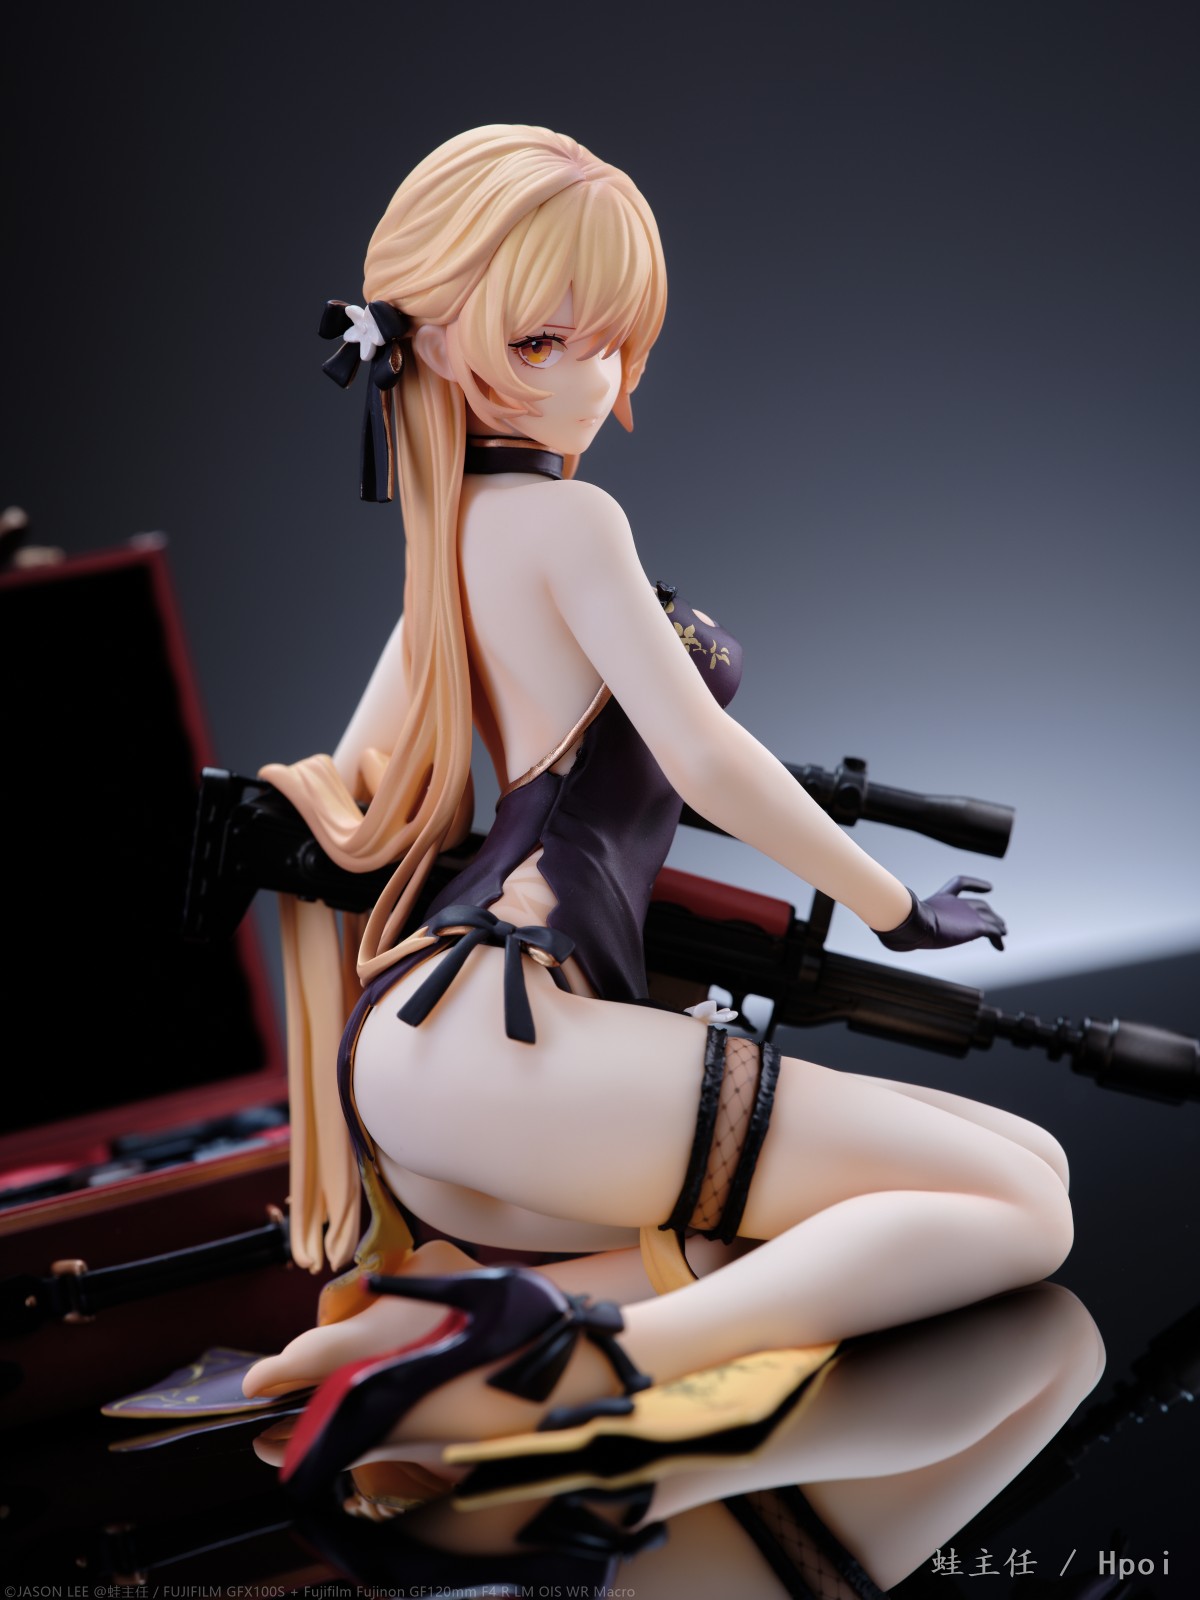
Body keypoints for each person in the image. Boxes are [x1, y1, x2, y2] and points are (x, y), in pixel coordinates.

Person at [245, 125, 1072, 1528]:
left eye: (616, 343)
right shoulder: (571, 524)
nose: (594, 378)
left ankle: (428, 1327)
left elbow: (348, 785)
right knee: (1025, 1212)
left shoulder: (443, 547)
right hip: (511, 1039)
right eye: (545, 340)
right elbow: (706, 758)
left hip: (420, 1054)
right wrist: (892, 907)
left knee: (1021, 1166)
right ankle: (588, 1361)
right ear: (430, 341)